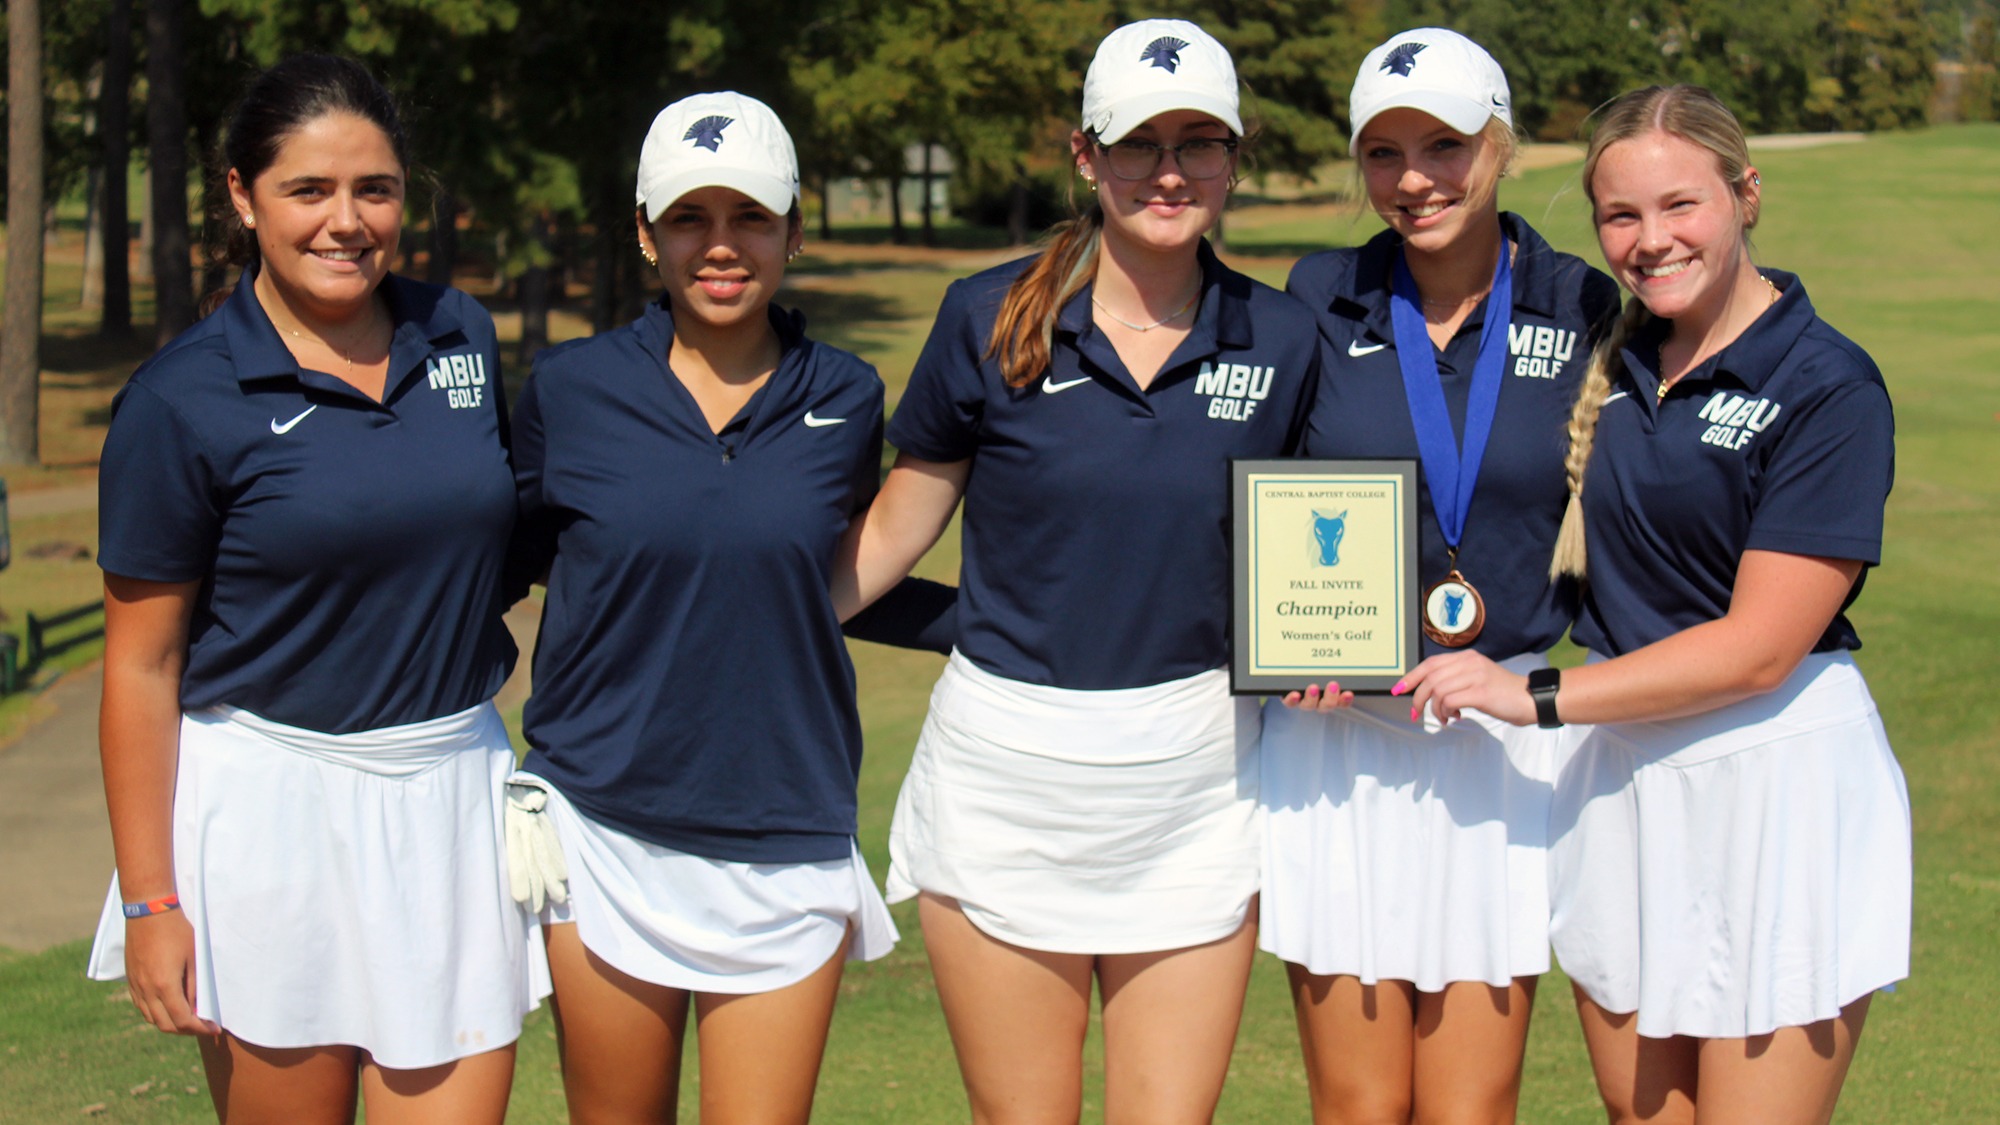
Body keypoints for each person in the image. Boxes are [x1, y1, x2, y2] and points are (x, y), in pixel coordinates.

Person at [832, 19, 1318, 1122]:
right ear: (1084, 155)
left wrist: (1350, 650)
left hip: (1196, 783)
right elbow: (899, 524)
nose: (1168, 170)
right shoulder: (989, 315)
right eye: (1138, 142)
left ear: (1233, 159)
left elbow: (1314, 557)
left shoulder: (1283, 339)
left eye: (1199, 142)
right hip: (1005, 776)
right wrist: (751, 622)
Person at [1398, 84, 1909, 1124]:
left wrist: (1529, 695)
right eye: (1619, 216)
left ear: (1744, 194)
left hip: (1773, 782)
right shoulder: (1611, 357)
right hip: (1622, 779)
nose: (1649, 239)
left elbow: (1758, 650)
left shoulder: (1825, 385)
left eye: (1681, 205)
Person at [86, 54, 537, 1123]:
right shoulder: (180, 400)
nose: (347, 221)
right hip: (267, 816)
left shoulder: (458, 335)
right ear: (244, 198)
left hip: (450, 801)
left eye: (373, 190)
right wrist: (152, 902)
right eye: (308, 190)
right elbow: (141, 665)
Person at [507, 91, 918, 1123]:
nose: (720, 246)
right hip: (602, 824)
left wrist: (1014, 627)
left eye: (750, 217)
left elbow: (822, 581)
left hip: (785, 830)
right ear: (646, 232)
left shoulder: (846, 394)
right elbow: (497, 567)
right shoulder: (568, 388)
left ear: (791, 228)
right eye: (690, 217)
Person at [1258, 28, 1620, 1123]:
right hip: (1339, 738)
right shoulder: (1320, 295)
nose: (1412, 179)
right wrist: (1287, 647)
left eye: (1443, 145)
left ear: (1499, 144)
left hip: (1500, 744)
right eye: (1382, 151)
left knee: (1469, 1109)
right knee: (1359, 1107)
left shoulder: (1580, 303)